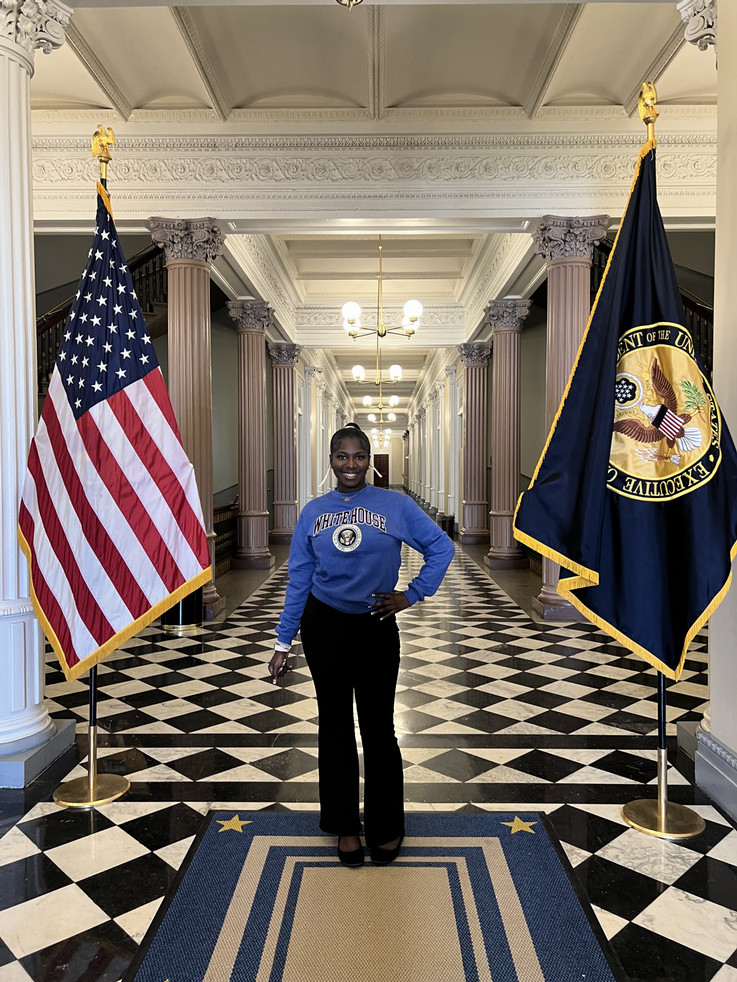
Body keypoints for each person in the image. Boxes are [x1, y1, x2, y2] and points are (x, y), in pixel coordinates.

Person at [269, 422, 454, 867]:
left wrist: (411, 594)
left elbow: (441, 547)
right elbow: (299, 579)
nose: (350, 465)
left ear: (369, 460)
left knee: (378, 729)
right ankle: (345, 827)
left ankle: (386, 827)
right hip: (323, 626)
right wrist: (282, 641)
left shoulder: (394, 505)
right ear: (331, 461)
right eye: (341, 456)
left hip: (375, 625)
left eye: (358, 456)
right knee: (334, 726)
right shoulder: (314, 511)